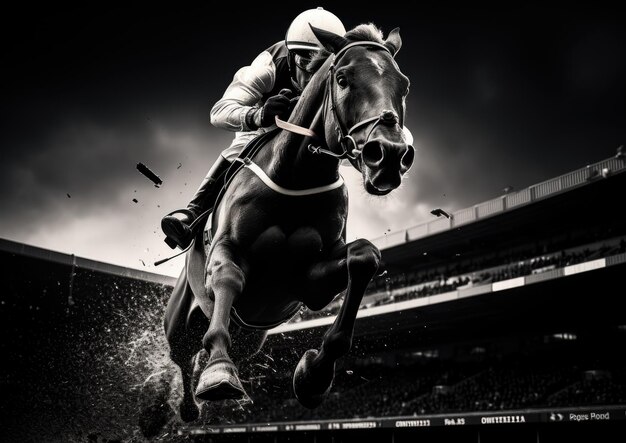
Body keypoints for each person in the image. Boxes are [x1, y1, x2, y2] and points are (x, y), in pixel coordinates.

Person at [161, 7, 346, 250]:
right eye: (304, 62)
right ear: (290, 57)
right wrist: (257, 115)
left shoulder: (343, 77)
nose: (311, 77)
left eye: (321, 66)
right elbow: (218, 112)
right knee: (243, 145)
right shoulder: (269, 64)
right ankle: (193, 214)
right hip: (262, 134)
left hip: (313, 144)